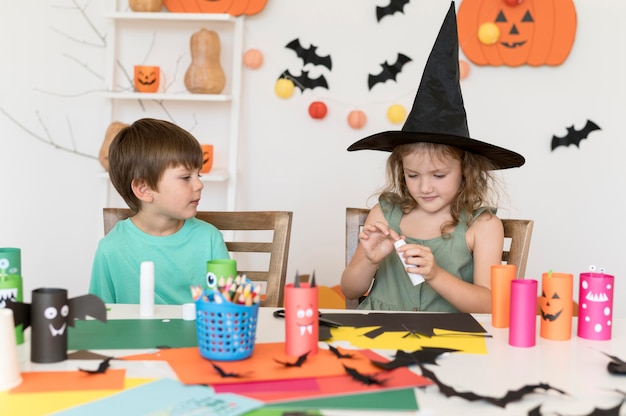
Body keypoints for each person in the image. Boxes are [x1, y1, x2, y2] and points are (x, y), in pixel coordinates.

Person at [340, 3, 525, 313]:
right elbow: (349, 289)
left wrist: (436, 274)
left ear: (465, 170)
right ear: (401, 170)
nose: (424, 186)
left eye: (438, 175)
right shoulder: (384, 216)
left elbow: (490, 305)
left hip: (450, 340)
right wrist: (370, 260)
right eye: (413, 175)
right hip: (377, 333)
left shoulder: (483, 226)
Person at [89, 118, 229, 304]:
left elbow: (228, 310)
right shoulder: (110, 249)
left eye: (199, 174)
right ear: (144, 189)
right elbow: (100, 320)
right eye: (186, 177)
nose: (199, 184)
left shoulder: (210, 240)